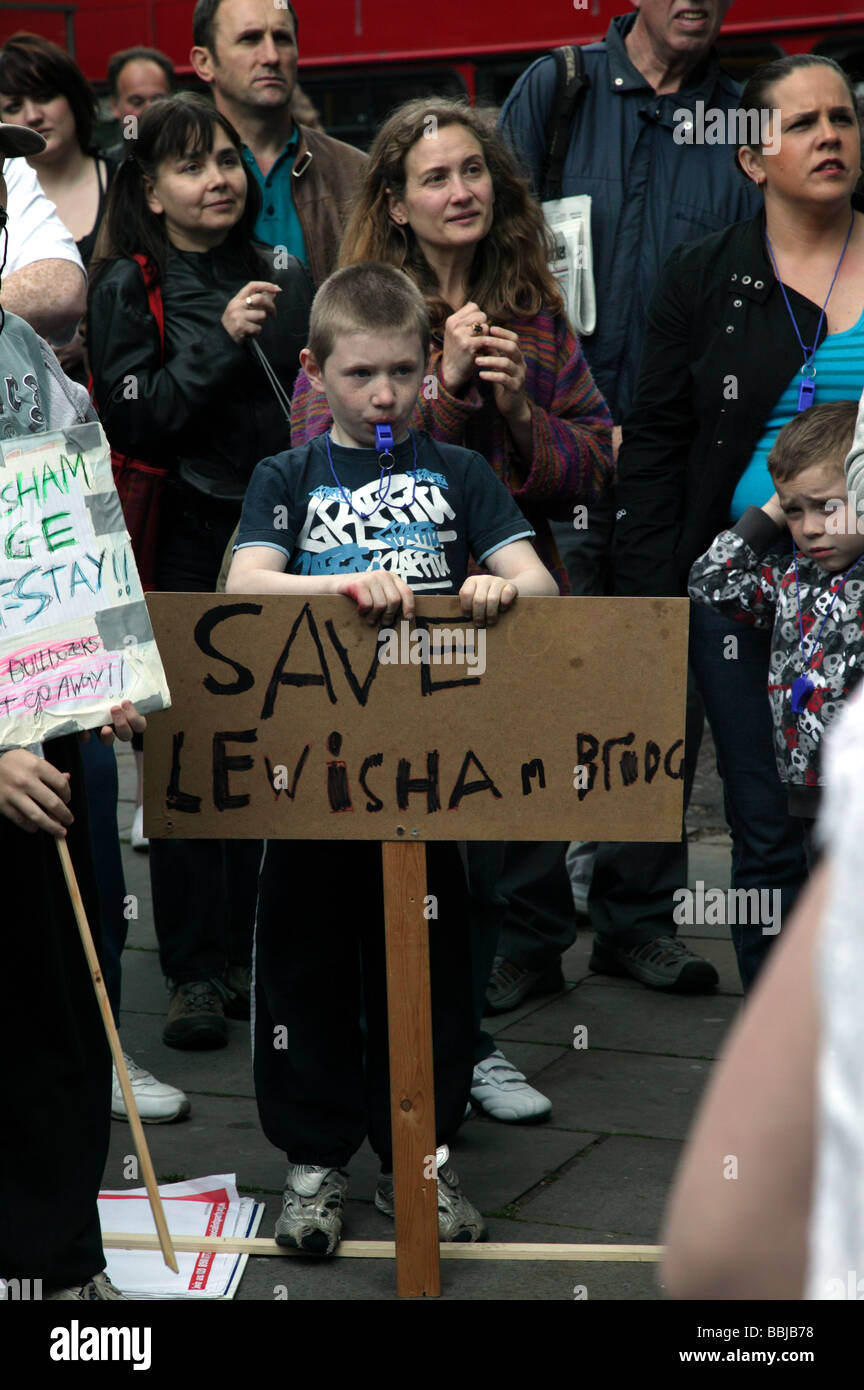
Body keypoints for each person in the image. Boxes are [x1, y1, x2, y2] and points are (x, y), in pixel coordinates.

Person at [290, 95, 613, 1123]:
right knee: (389, 845)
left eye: (474, 171)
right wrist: (444, 394)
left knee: (485, 843)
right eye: (435, 176)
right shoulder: (358, 302)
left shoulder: (534, 306)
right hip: (372, 629)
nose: (461, 190)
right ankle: (378, 1062)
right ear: (394, 200)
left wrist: (516, 406)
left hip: (495, 616)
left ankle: (464, 1046)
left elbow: (599, 466)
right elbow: (327, 465)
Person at [226, 261, 560, 1253]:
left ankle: (421, 1158)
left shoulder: (459, 474)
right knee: (302, 964)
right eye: (361, 373)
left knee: (435, 971)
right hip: (314, 778)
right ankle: (313, 1165)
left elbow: (536, 582)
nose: (384, 394)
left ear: (427, 371)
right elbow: (242, 584)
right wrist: (335, 588)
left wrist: (492, 590)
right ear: (314, 373)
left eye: (404, 372)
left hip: (430, 780)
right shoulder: (285, 478)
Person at [498, 0, 761, 997]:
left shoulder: (745, 122)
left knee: (655, 687)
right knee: (536, 684)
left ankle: (635, 919)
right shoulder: (558, 89)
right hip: (551, 442)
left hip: (672, 462)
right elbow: (498, 240)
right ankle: (525, 935)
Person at [614, 53, 864, 990]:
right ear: (751, 160)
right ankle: (780, 1058)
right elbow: (656, 445)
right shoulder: (704, 276)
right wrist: (646, 602)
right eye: (801, 124)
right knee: (767, 832)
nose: (830, 136)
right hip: (745, 595)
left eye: (841, 117)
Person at [88, 93, 314, 1050]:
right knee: (187, 758)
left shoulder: (286, 268)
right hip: (179, 536)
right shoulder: (124, 283)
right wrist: (221, 339)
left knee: (285, 747)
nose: (218, 177)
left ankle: (273, 954)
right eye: (190, 165)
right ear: (151, 187)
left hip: (281, 539)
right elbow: (140, 421)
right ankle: (194, 972)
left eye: (227, 159)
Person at [0, 118, 147, 1300]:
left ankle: (56, 1263)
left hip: (36, 705)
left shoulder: (22, 368)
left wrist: (99, 675)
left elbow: (51, 294)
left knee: (58, 996)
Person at [689, 400, 864, 854]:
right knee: (824, 915)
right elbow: (711, 579)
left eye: (829, 507)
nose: (809, 528)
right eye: (794, 512)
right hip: (808, 793)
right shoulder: (790, 579)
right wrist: (773, 505)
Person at [189, 0, 367, 283]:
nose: (271, 56)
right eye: (250, 39)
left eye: (282, 38)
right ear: (204, 62)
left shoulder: (356, 172)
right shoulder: (164, 179)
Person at [0, 34, 114, 378]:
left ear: (73, 96)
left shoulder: (125, 181)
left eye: (45, 97)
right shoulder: (12, 181)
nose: (33, 116)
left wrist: (93, 341)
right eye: (13, 106)